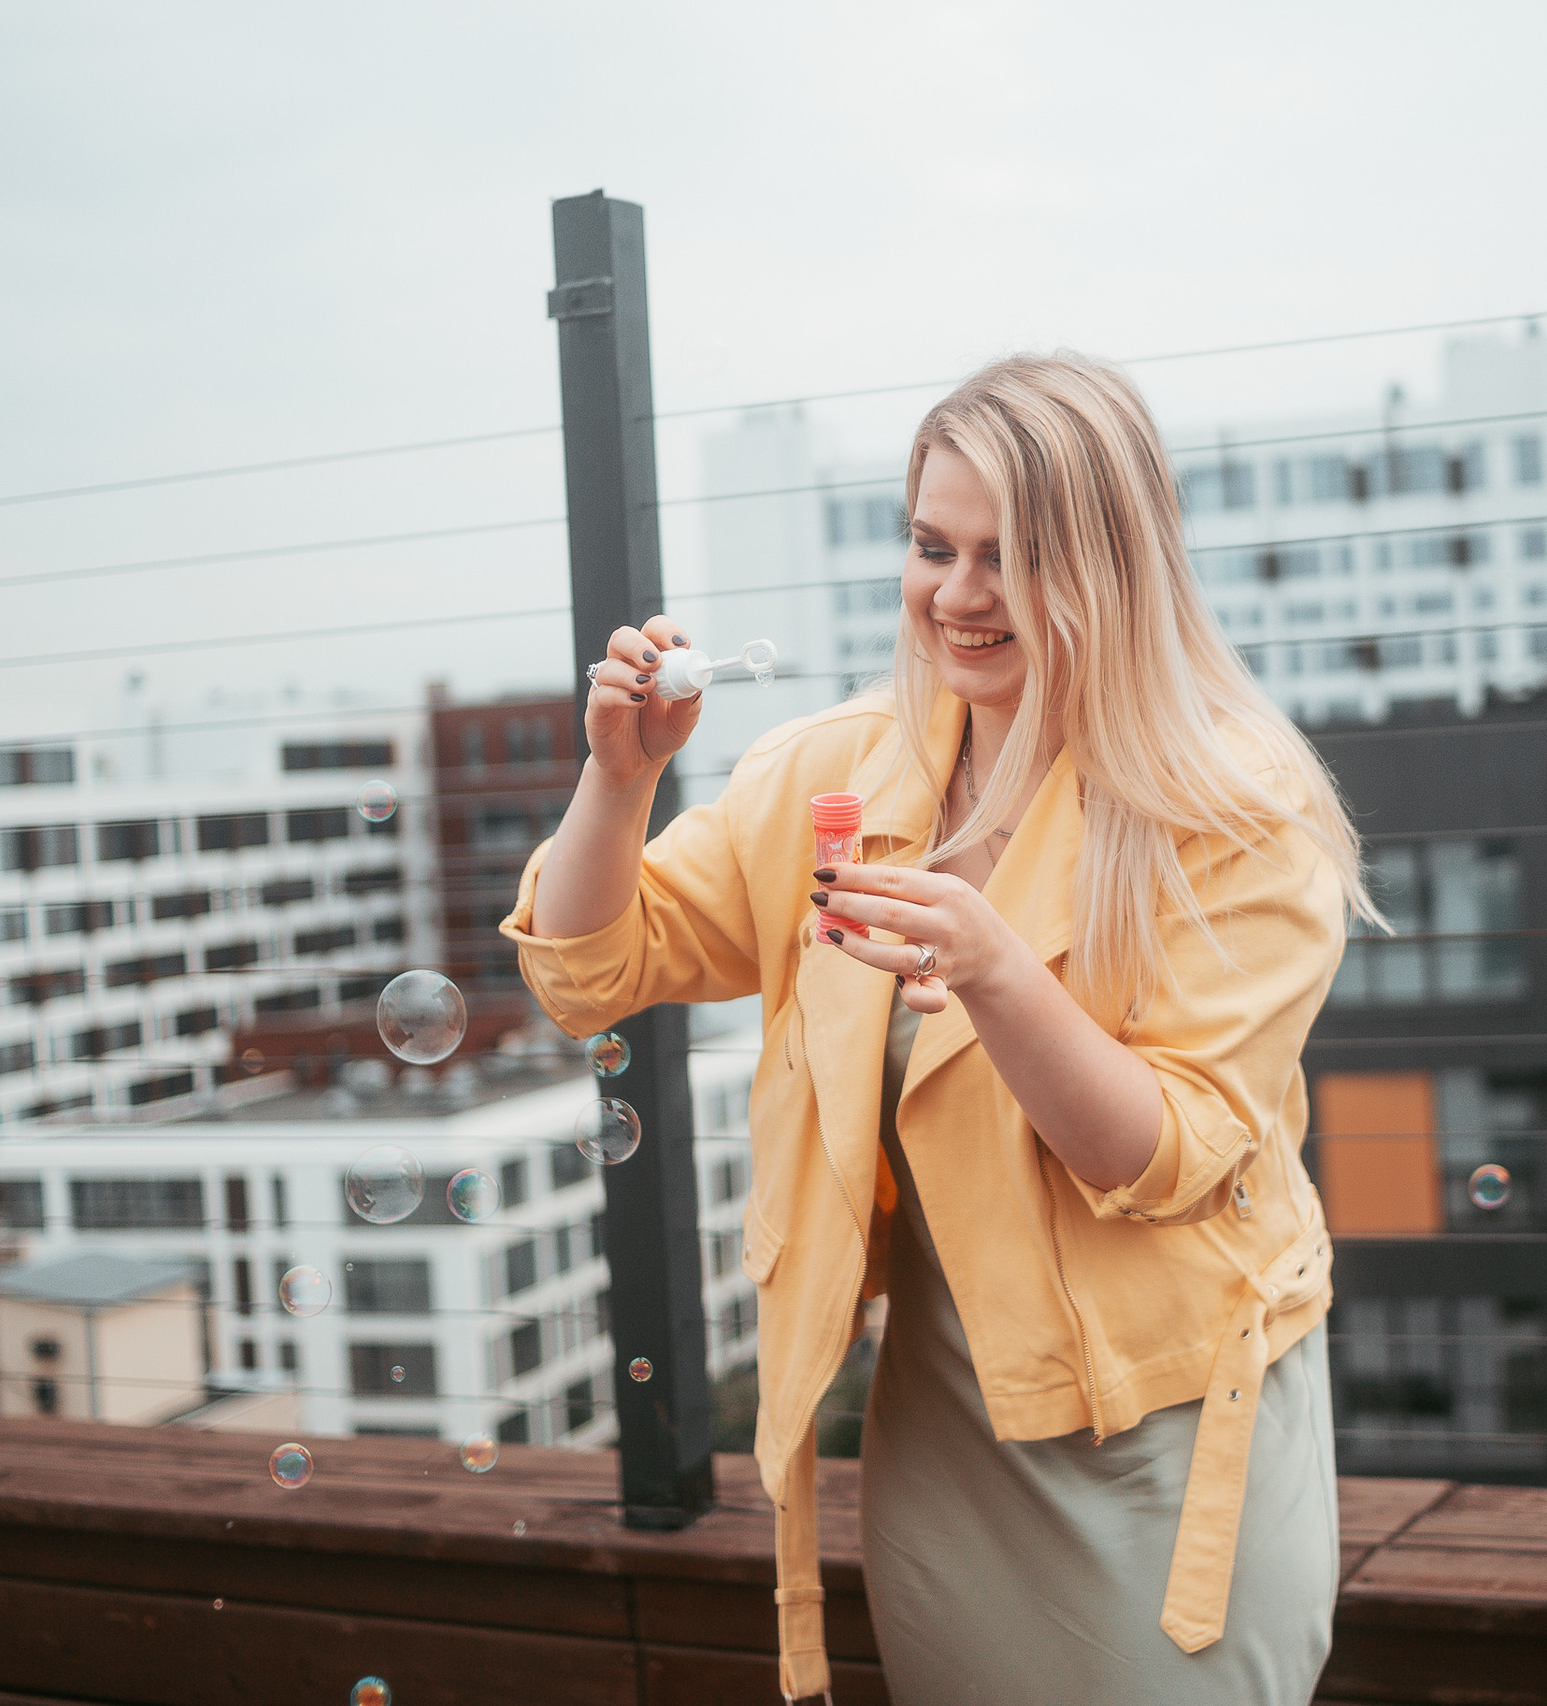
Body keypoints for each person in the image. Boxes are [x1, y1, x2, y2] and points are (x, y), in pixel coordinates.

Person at [503, 352, 1372, 1704]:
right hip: (951, 1420)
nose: (956, 597)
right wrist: (617, 786)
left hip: (1164, 1423)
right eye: (930, 546)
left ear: (1106, 569)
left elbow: (1162, 1155)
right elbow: (589, 968)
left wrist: (994, 968)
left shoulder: (1236, 811)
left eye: (1007, 557)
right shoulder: (836, 768)